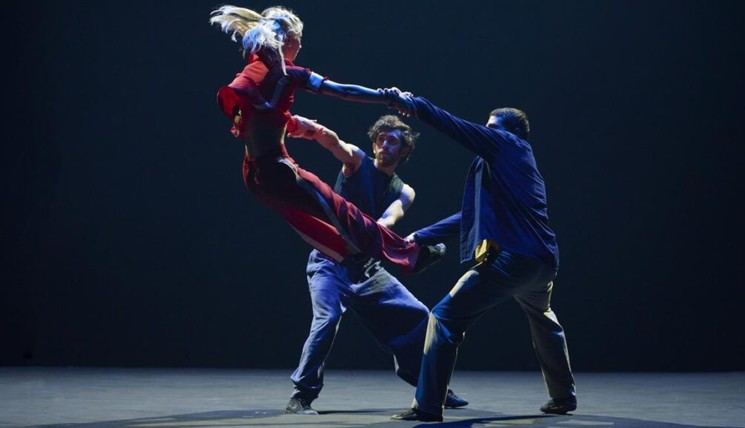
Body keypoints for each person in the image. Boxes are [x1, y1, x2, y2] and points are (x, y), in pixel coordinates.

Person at [380, 90, 577, 422]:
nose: (486, 132)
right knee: (544, 319)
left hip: (515, 260)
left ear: (509, 132)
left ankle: (428, 405)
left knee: (444, 317)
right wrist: (419, 236)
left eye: (492, 127)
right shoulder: (512, 168)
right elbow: (468, 217)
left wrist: (415, 105)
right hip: (542, 262)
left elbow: (456, 127)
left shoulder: (509, 146)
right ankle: (563, 396)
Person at [209, 6, 443, 273]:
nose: (300, 46)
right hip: (277, 169)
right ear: (288, 39)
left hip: (253, 174)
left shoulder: (255, 70)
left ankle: (350, 258)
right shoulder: (288, 73)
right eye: (299, 39)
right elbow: (343, 91)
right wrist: (387, 96)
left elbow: (257, 115)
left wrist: (292, 122)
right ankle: (410, 255)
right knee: (342, 212)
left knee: (305, 220)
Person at [283, 115, 468, 414]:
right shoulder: (357, 161)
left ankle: (428, 385)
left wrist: (376, 235)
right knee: (327, 319)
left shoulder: (404, 190)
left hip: (366, 267)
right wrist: (308, 128)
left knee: (419, 315)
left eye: (392, 140)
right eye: (380, 138)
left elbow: (388, 220)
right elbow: (334, 141)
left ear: (404, 151)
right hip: (329, 261)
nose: (384, 144)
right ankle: (302, 394)